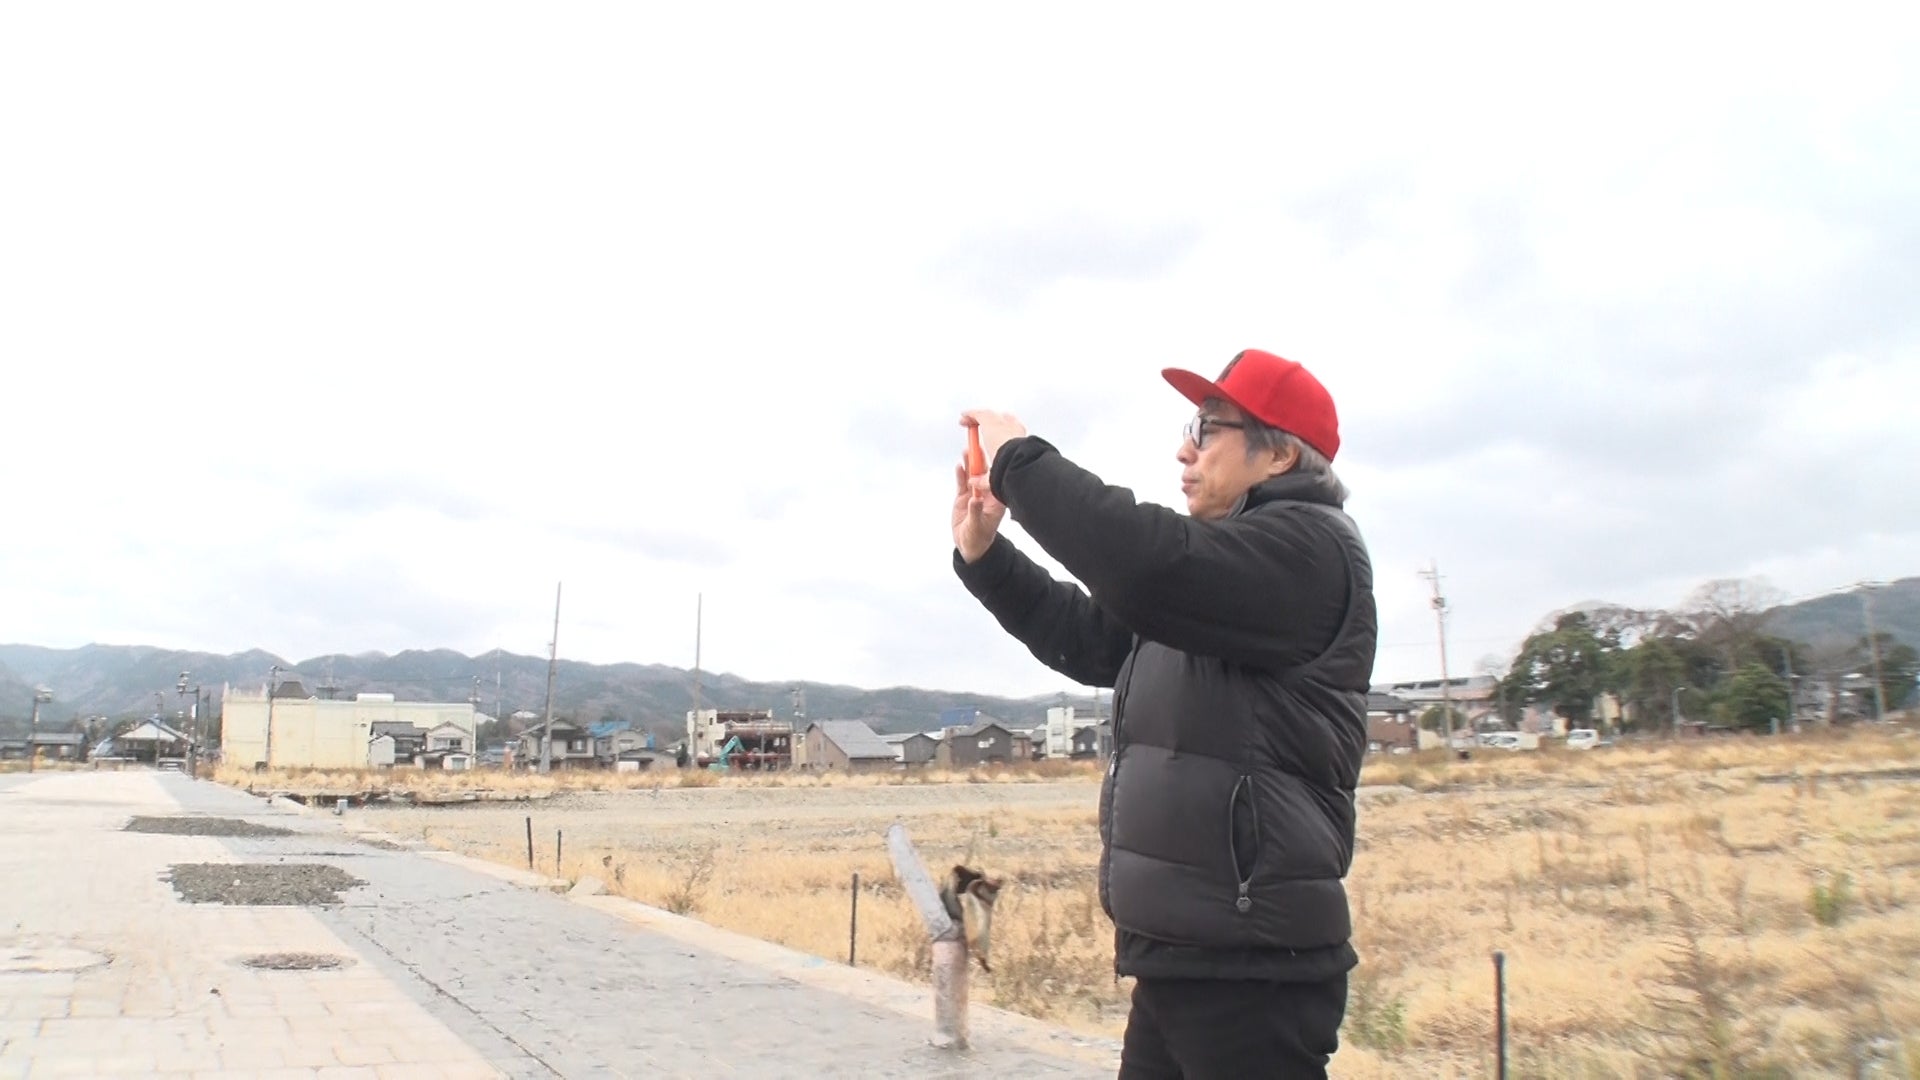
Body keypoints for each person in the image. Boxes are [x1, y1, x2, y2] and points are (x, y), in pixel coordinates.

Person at [951, 348, 1376, 1079]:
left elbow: (1143, 564)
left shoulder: (1308, 552)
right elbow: (1094, 638)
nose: (1185, 447)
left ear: (1277, 454)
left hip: (1254, 970)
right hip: (1187, 958)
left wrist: (1021, 460)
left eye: (1208, 429)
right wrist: (988, 557)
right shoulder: (1216, 579)